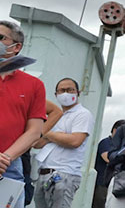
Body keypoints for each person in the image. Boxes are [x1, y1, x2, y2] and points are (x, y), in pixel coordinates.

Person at [0, 20, 46, 208]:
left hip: (9, 167)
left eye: (1, 37)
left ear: (16, 46)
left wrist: (5, 159)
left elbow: (34, 131)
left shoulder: (34, 85)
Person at [33, 77, 94, 208]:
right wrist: (57, 136)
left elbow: (75, 141)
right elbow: (36, 143)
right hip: (43, 172)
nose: (65, 93)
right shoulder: (55, 116)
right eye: (61, 90)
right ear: (56, 94)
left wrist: (48, 134)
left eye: (70, 90)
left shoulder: (82, 114)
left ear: (78, 92)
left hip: (64, 174)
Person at [23, 100, 64, 206]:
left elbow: (56, 112)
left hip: (17, 158)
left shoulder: (24, 91)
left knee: (19, 196)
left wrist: (37, 135)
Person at [92, 119, 125, 208]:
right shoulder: (106, 143)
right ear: (115, 130)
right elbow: (108, 159)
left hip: (115, 183)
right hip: (102, 183)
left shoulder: (120, 146)